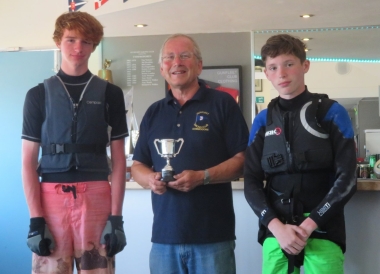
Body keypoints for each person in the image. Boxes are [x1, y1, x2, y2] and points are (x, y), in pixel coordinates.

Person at [131, 34, 249, 274]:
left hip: (213, 238)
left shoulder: (223, 103)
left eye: (185, 56)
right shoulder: (153, 112)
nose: (177, 62)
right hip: (164, 238)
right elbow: (137, 165)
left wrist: (203, 176)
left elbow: (243, 160)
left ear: (199, 65)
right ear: (162, 68)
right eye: (170, 57)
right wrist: (150, 180)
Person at [21, 11, 128, 274]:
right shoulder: (37, 96)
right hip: (51, 198)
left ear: (94, 45)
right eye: (70, 40)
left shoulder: (111, 94)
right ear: (58, 41)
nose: (78, 48)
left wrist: (116, 218)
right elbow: (27, 161)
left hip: (97, 197)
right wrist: (36, 219)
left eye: (86, 41)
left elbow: (119, 159)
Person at [244, 34, 357, 274]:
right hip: (277, 232)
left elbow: (347, 179)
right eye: (273, 68)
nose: (281, 74)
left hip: (323, 226)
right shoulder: (263, 120)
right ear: (266, 73)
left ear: (305, 65)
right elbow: (251, 180)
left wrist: (310, 224)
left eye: (289, 64)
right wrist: (275, 226)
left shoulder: (331, 112)